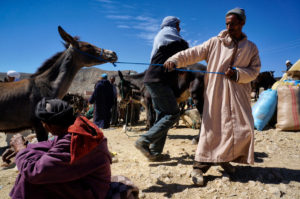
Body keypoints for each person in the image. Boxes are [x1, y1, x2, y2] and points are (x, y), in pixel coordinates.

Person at [164, 8, 261, 186]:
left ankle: (223, 158)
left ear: (242, 23)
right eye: (227, 24)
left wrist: (238, 73)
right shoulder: (215, 43)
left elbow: (254, 71)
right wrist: (175, 59)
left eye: (233, 23)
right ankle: (199, 167)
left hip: (239, 94)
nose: (229, 26)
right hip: (217, 92)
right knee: (213, 129)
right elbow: (193, 53)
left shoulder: (251, 48)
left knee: (243, 129)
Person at [9, 98, 112, 199]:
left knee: (29, 179)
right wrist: (26, 146)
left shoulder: (74, 140)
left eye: (43, 123)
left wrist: (21, 150)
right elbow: (50, 144)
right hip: (92, 183)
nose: (43, 126)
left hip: (93, 191)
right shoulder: (77, 127)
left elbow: (34, 172)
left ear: (50, 126)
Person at [135, 16, 189, 161]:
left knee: (162, 116)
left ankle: (155, 153)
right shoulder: (173, 38)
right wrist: (184, 65)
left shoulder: (161, 37)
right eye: (178, 25)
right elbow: (184, 50)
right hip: (160, 81)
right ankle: (144, 141)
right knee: (173, 114)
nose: (180, 28)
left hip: (152, 79)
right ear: (172, 25)